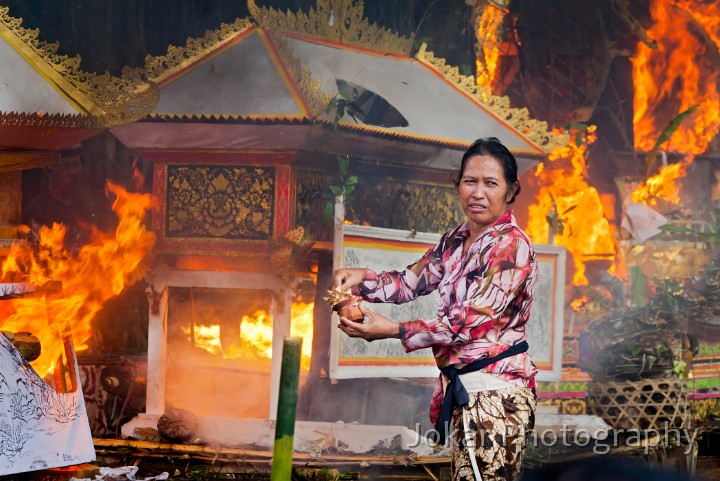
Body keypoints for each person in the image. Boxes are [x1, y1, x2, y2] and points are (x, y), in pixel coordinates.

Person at [332, 137, 538, 481]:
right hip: (466, 392)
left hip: (496, 394)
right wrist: (360, 279)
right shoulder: (456, 240)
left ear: (511, 190)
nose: (478, 192)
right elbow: (408, 282)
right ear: (457, 184)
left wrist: (395, 330)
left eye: (491, 183)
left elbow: (466, 324)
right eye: (470, 181)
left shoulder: (510, 246)